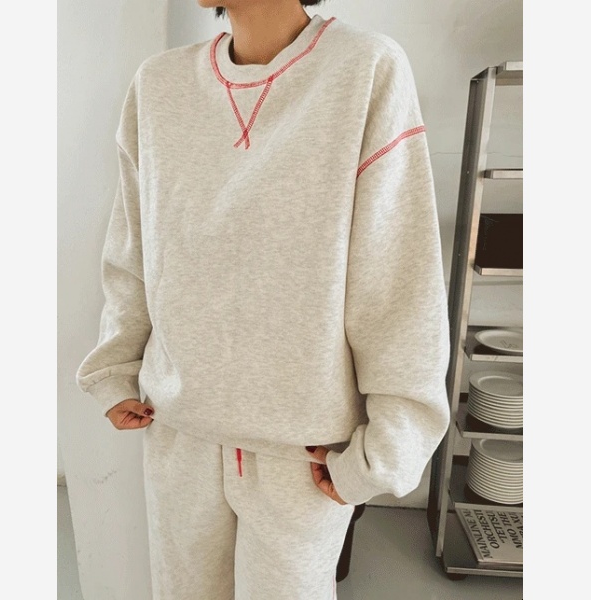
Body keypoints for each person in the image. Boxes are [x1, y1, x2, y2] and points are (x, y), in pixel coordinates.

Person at [75, 1, 451, 598]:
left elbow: (397, 273)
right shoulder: (158, 85)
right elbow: (134, 246)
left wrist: (388, 447)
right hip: (180, 434)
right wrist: (116, 366)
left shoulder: (364, 68)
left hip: (302, 454)